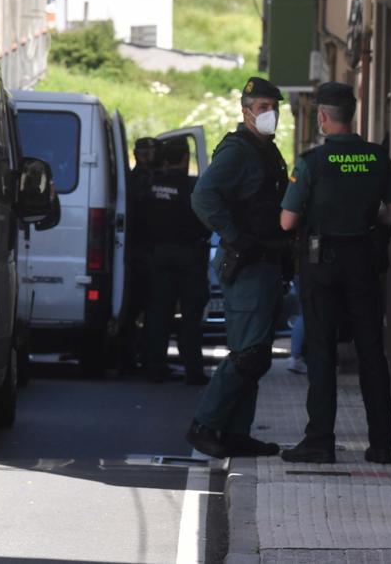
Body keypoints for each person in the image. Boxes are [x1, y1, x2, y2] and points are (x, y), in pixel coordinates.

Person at [277, 82, 391, 465]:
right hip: (363, 262)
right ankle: (382, 444)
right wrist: (366, 218)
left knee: (320, 351)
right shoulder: (377, 158)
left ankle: (320, 441)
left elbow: (287, 221)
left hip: (322, 264)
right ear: (351, 114)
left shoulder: (312, 162)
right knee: (371, 352)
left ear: (321, 116)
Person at [186, 76, 291, 459]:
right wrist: (233, 235)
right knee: (248, 354)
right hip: (248, 263)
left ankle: (236, 433)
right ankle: (206, 425)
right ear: (245, 110)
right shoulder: (239, 151)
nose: (269, 114)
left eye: (273, 107)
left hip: (266, 262)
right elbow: (203, 196)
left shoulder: (265, 150)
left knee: (257, 354)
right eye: (262, 107)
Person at [143, 137, 211, 385]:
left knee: (159, 312)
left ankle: (155, 367)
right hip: (188, 256)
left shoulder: (151, 184)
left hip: (159, 254)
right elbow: (206, 219)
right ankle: (193, 370)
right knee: (191, 316)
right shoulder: (193, 187)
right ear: (185, 159)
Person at [121, 137, 160, 375]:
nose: (147, 156)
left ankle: (133, 360)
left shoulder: (129, 180)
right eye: (145, 152)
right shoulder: (148, 181)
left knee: (135, 311)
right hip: (144, 253)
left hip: (138, 253)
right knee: (147, 311)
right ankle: (143, 360)